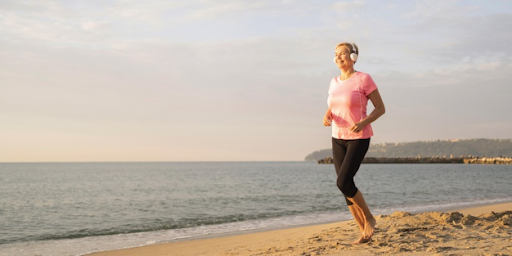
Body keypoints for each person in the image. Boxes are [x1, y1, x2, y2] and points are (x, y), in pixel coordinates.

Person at [323, 42, 385, 244]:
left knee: (342, 182)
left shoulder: (363, 79)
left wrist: (363, 122)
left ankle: (369, 217)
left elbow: (380, 108)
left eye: (343, 53)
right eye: (336, 54)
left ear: (353, 57)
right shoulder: (333, 82)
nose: (339, 57)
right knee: (345, 187)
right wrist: (327, 115)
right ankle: (364, 232)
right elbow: (334, 106)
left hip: (358, 138)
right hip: (337, 137)